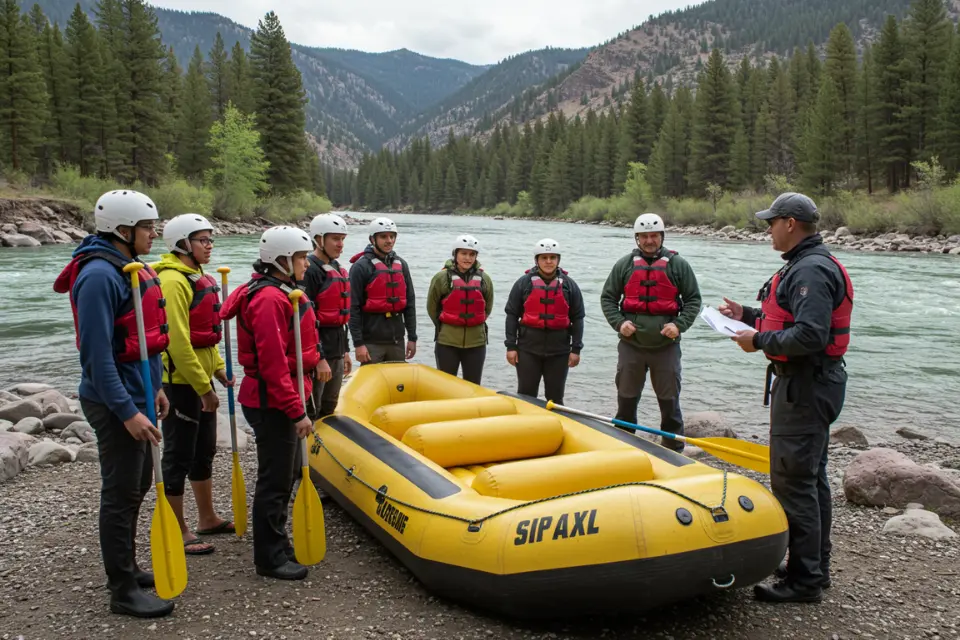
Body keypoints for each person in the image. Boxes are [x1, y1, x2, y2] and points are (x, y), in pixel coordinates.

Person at [720, 192, 853, 604]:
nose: (768, 229)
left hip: (806, 386)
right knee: (810, 479)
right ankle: (812, 565)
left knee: (795, 482)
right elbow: (791, 320)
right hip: (812, 384)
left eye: (772, 222)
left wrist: (757, 339)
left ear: (791, 224)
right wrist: (745, 314)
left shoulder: (810, 269)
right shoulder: (808, 264)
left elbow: (810, 335)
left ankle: (805, 580)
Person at [53, 190, 174, 618]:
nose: (153, 233)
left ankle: (128, 565)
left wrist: (154, 389)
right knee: (120, 492)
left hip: (136, 393)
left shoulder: (129, 269)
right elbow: (97, 356)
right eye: (147, 227)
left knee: (137, 481)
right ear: (123, 231)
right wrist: (127, 412)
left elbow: (143, 344)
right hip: (111, 401)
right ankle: (121, 588)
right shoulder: (100, 277)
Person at [219, 225, 321, 581]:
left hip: (277, 397)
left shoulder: (279, 291)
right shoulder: (267, 299)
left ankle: (277, 541)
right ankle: (269, 557)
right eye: (301, 258)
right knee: (275, 480)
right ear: (281, 260)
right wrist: (297, 411)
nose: (306, 264)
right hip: (272, 401)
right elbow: (274, 364)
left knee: (285, 474)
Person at [153, 214, 234, 556]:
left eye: (210, 239)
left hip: (198, 380)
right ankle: (177, 527)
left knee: (204, 452)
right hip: (179, 384)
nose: (209, 245)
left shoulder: (196, 276)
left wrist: (218, 372)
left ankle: (207, 518)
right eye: (203, 240)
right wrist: (204, 388)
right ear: (183, 244)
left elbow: (205, 341)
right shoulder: (173, 281)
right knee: (178, 455)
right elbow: (177, 343)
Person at [599, 213, 702, 453]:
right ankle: (623, 444)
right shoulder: (624, 265)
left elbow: (693, 300)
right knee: (626, 397)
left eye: (654, 235)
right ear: (637, 238)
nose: (649, 240)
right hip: (631, 344)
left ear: (662, 236)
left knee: (669, 401)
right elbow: (608, 298)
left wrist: (678, 325)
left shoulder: (678, 265)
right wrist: (619, 322)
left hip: (665, 346)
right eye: (644, 236)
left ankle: (673, 447)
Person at [504, 238, 585, 405]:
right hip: (528, 349)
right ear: (537, 260)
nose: (548, 261)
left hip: (559, 352)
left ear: (558, 260)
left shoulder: (569, 285)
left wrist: (576, 349)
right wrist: (511, 346)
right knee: (526, 396)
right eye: (544, 258)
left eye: (552, 258)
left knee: (555, 398)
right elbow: (512, 315)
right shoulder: (523, 283)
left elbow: (578, 318)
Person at [302, 213, 352, 419]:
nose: (340, 244)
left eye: (342, 239)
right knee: (313, 406)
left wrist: (345, 351)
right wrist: (319, 357)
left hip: (336, 350)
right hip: (318, 352)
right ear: (319, 239)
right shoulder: (310, 270)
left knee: (330, 405)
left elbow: (342, 319)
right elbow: (306, 320)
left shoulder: (338, 268)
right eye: (335, 239)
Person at [348, 217, 417, 364]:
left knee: (398, 384)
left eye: (392, 236)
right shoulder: (360, 267)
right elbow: (353, 308)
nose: (389, 240)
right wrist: (358, 344)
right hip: (371, 343)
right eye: (383, 236)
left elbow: (410, 303)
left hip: (396, 341)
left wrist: (412, 337)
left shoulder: (401, 265)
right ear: (372, 239)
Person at [426, 234, 494, 384]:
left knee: (473, 386)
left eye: (472, 254)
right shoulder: (442, 278)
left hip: (476, 343)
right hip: (447, 342)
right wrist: (445, 327)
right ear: (455, 254)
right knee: (446, 386)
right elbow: (432, 308)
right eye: (463, 253)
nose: (467, 258)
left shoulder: (484, 279)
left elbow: (487, 307)